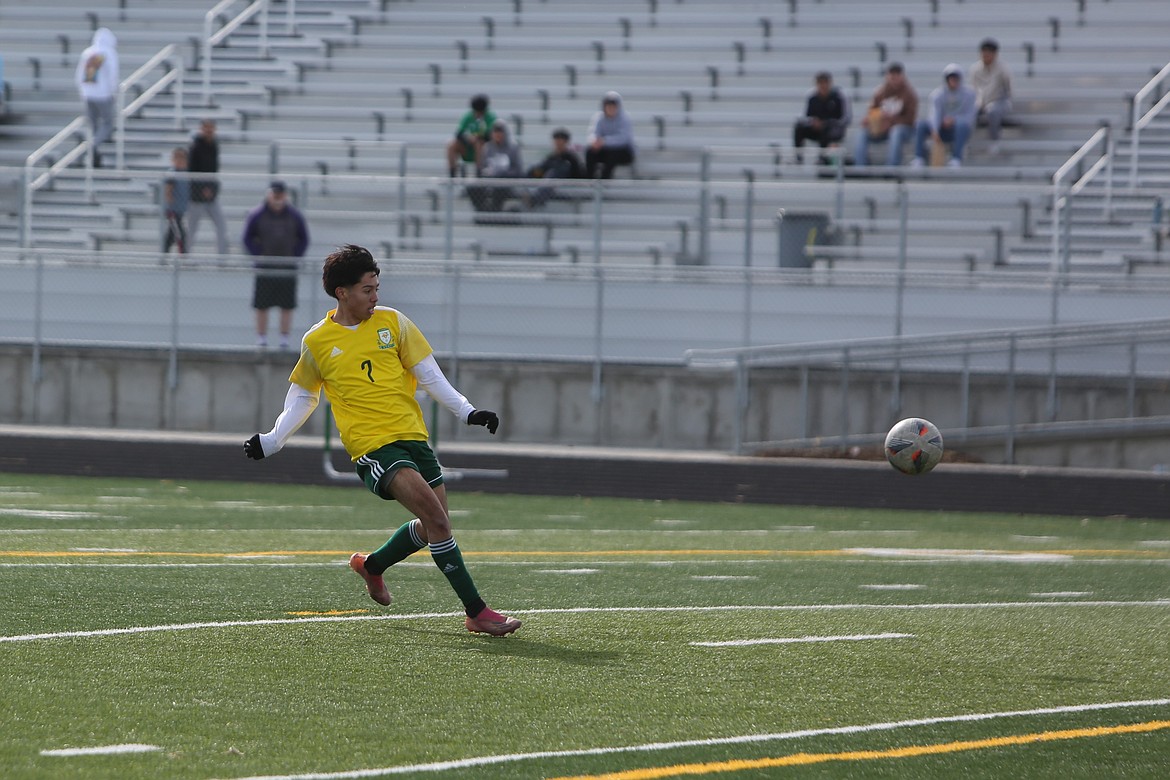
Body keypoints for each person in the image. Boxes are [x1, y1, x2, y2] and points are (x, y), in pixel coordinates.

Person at [242, 244, 520, 637]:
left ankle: (372, 565)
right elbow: (303, 398)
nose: (376, 296)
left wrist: (467, 411)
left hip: (414, 438)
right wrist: (271, 441)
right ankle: (477, 612)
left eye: (377, 287)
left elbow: (428, 374)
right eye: (367, 290)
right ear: (342, 292)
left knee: (432, 526)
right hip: (374, 447)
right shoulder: (318, 341)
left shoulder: (394, 323)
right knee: (438, 521)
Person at [242, 181, 310, 349]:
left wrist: (295, 256)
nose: (277, 198)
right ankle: (261, 338)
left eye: (281, 195)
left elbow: (304, 238)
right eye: (275, 195)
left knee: (286, 305)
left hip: (287, 267)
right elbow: (247, 238)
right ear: (269, 195)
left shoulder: (294, 215)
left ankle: (284, 339)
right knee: (262, 305)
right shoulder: (257, 214)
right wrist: (258, 255)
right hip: (265, 267)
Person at [911, 63, 978, 168]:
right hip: (941, 128)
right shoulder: (938, 95)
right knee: (920, 125)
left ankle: (956, 158)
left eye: (955, 78)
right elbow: (935, 113)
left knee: (962, 125)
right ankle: (919, 157)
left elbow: (970, 116)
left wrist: (954, 120)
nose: (953, 81)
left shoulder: (969, 94)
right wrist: (935, 129)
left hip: (958, 129)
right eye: (951, 78)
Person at [853, 62, 918, 168]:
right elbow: (872, 111)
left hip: (903, 130)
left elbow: (910, 119)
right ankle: (860, 166)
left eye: (897, 75)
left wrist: (891, 121)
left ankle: (892, 167)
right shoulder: (880, 93)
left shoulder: (909, 94)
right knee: (862, 133)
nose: (894, 78)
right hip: (881, 128)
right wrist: (870, 120)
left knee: (896, 132)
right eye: (892, 75)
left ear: (902, 76)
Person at [74, 27, 119, 168]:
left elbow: (79, 75)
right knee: (107, 123)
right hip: (103, 93)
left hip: (87, 94)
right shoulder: (109, 53)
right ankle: (92, 146)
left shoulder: (87, 52)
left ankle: (94, 154)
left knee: (93, 126)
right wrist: (113, 91)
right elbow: (113, 74)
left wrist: (82, 91)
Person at [187, 118, 230, 256]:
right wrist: (202, 188)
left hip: (211, 195)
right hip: (196, 197)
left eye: (211, 128)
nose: (209, 131)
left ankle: (222, 259)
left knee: (221, 225)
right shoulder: (195, 147)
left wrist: (212, 189)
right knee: (192, 228)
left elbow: (214, 171)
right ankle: (185, 258)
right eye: (206, 128)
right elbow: (192, 172)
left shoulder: (215, 145)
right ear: (202, 129)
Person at [792, 71, 851, 164]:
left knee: (826, 128)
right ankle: (798, 157)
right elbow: (805, 116)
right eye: (820, 83)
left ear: (830, 83)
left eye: (825, 83)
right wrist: (812, 122)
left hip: (834, 129)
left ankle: (822, 158)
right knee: (799, 127)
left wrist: (827, 122)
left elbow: (845, 118)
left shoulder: (839, 96)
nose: (823, 86)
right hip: (817, 130)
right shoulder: (812, 96)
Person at [466, 119, 523, 212]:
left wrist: (502, 174)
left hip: (506, 183)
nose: (498, 135)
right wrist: (486, 172)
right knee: (472, 187)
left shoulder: (513, 148)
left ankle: (496, 211)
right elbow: (482, 167)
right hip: (489, 181)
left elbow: (518, 170)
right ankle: (481, 210)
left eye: (500, 132)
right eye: (495, 132)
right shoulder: (487, 148)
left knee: (499, 187)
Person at [969, 38, 1013, 155]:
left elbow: (1008, 89)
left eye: (989, 53)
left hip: (999, 101)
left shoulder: (1003, 69)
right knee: (970, 111)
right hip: (981, 102)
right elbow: (974, 90)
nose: (986, 55)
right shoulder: (975, 69)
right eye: (984, 52)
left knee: (992, 111)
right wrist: (979, 103)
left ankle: (994, 142)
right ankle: (967, 143)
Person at [525, 127, 585, 208]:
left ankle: (534, 199)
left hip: (568, 185)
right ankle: (528, 194)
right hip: (550, 185)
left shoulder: (571, 158)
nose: (558, 143)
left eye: (561, 140)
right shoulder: (552, 157)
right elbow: (540, 170)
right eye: (556, 140)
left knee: (556, 172)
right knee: (533, 170)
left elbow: (578, 174)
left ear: (566, 142)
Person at [585, 91, 636, 179]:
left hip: (623, 152)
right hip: (604, 150)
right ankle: (590, 179)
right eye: (608, 106)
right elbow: (593, 133)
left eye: (613, 106)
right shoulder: (599, 118)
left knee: (613, 154)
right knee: (590, 151)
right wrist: (594, 141)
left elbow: (624, 139)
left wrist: (604, 141)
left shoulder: (625, 118)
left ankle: (605, 180)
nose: (611, 109)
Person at [445, 94, 496, 177]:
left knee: (479, 143)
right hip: (468, 148)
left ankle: (479, 174)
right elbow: (458, 133)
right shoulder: (468, 116)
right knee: (451, 145)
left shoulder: (491, 117)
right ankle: (452, 174)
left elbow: (491, 136)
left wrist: (477, 137)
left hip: (484, 150)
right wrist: (468, 138)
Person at [162, 147, 190, 255]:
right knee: (180, 234)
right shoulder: (172, 173)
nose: (179, 160)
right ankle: (184, 256)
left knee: (171, 234)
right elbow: (168, 189)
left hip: (180, 210)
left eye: (182, 158)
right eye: (176, 158)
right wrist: (169, 199)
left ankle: (163, 254)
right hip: (172, 210)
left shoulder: (187, 174)